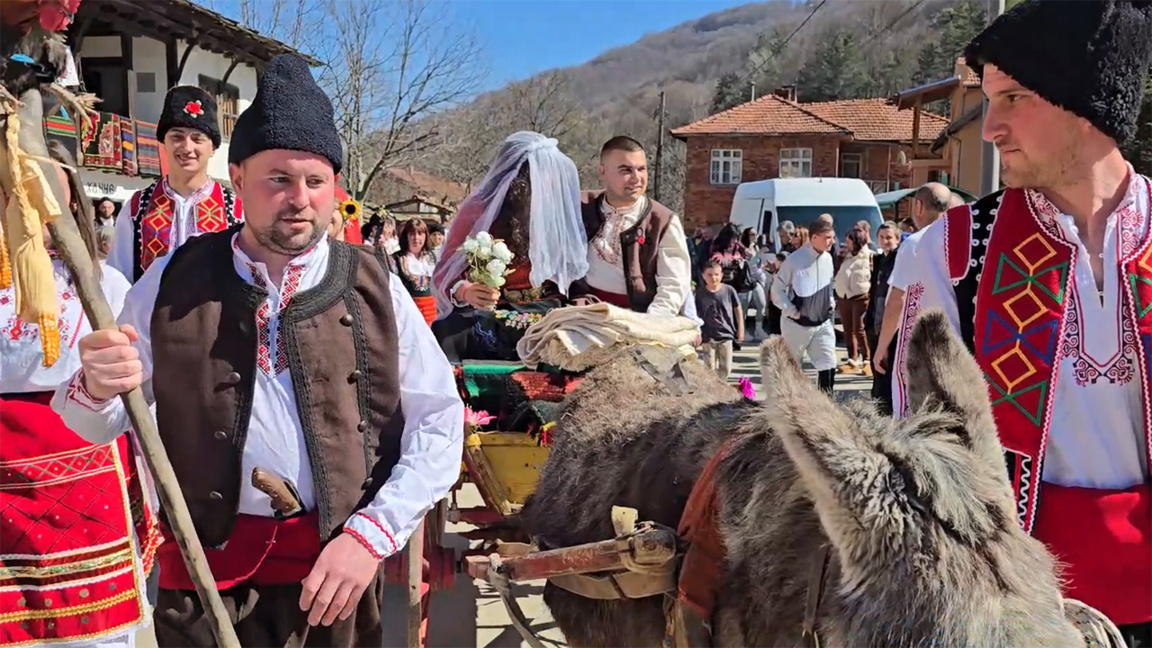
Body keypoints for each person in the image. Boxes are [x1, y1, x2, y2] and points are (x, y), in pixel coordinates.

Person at [52, 54, 464, 647]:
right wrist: (94, 387)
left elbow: (440, 421)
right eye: (278, 178)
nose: (298, 198)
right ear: (238, 178)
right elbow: (93, 422)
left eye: (315, 181)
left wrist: (372, 535)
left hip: (335, 583)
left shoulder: (373, 283)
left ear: (334, 190)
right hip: (204, 581)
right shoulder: (173, 279)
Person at [894, 1, 1152, 642]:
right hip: (1020, 606)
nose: (990, 128)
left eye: (1013, 99)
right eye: (990, 100)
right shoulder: (951, 252)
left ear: (1085, 104)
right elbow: (921, 445)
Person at [1, 173, 156, 647]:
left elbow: (129, 382)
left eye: (50, 200)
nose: (35, 212)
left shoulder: (102, 281)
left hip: (87, 471)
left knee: (97, 633)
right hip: (5, 474)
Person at [431, 131, 588, 362]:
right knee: (448, 332)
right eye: (536, 173)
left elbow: (575, 272)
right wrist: (465, 290)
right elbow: (445, 269)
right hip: (492, 309)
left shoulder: (556, 211)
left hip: (547, 309)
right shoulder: (479, 209)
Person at [107, 86, 244, 282]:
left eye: (197, 139)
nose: (187, 148)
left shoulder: (236, 210)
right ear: (164, 142)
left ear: (212, 148)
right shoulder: (137, 208)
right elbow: (117, 280)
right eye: (177, 137)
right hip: (149, 312)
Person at [571, 136, 692, 316]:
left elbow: (673, 285)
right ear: (602, 171)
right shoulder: (579, 206)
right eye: (626, 170)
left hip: (640, 317)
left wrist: (649, 325)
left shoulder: (663, 220)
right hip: (585, 312)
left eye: (642, 169)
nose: (637, 178)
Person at [872, 182, 952, 409]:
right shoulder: (961, 241)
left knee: (914, 407)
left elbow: (897, 300)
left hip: (920, 339)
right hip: (957, 340)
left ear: (918, 206)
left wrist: (882, 345)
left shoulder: (914, 244)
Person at [770, 218, 837, 393]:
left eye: (832, 237)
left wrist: (830, 302)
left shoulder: (828, 259)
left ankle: (827, 405)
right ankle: (788, 403)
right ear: (814, 238)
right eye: (827, 237)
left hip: (822, 322)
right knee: (791, 365)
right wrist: (791, 311)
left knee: (828, 361)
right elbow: (777, 289)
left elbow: (829, 284)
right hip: (796, 325)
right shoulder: (794, 260)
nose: (832, 241)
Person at [864, 220, 901, 411]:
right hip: (875, 324)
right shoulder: (879, 260)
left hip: (891, 327)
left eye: (889, 238)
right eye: (882, 237)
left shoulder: (900, 260)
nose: (885, 241)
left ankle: (886, 410)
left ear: (897, 239)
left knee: (886, 374)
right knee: (877, 371)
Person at [833, 228, 873, 374]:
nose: (846, 243)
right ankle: (852, 359)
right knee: (847, 329)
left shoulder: (869, 256)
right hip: (844, 296)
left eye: (849, 240)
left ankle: (868, 359)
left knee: (859, 328)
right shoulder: (844, 255)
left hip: (860, 297)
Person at [694, 259, 742, 381]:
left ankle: (721, 385)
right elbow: (694, 314)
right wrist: (696, 332)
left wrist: (740, 328)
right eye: (709, 275)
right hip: (707, 335)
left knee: (725, 368)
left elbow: (737, 309)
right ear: (703, 276)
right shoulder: (699, 294)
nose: (713, 278)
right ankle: (714, 389)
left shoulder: (729, 291)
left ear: (721, 275)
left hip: (726, 334)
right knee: (709, 367)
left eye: (716, 274)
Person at [392, 218, 438, 325]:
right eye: (412, 234)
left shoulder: (434, 257)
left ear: (426, 236)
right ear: (406, 236)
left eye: (420, 233)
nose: (416, 238)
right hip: (407, 313)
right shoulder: (396, 259)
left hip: (432, 314)